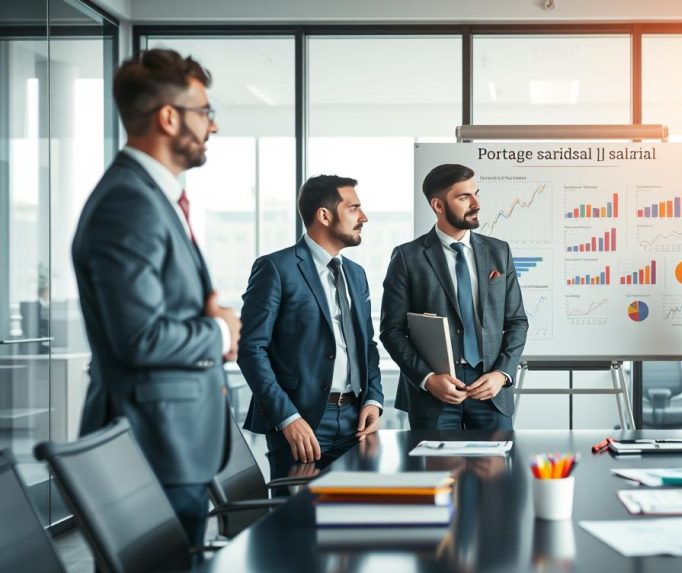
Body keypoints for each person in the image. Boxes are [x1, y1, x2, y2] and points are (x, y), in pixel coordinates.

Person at [71, 49, 240, 547]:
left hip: (172, 442)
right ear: (169, 117)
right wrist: (218, 331)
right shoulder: (129, 203)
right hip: (152, 442)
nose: (213, 127)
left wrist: (212, 320)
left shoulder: (152, 196)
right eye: (204, 112)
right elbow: (140, 338)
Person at [238, 175, 383, 480]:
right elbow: (251, 349)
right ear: (324, 215)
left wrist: (373, 399)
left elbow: (366, 345)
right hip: (300, 421)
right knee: (294, 521)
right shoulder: (276, 268)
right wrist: (287, 417)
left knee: (352, 515)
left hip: (355, 420)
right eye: (354, 208)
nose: (364, 217)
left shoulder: (356, 274)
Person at [380, 163, 529, 430]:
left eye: (476, 193)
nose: (476, 203)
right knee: (437, 471)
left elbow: (517, 321)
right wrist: (427, 379)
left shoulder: (499, 252)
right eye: (464, 197)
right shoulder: (407, 257)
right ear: (438, 206)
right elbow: (391, 330)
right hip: (434, 393)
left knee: (496, 472)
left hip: (490, 389)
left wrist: (502, 374)